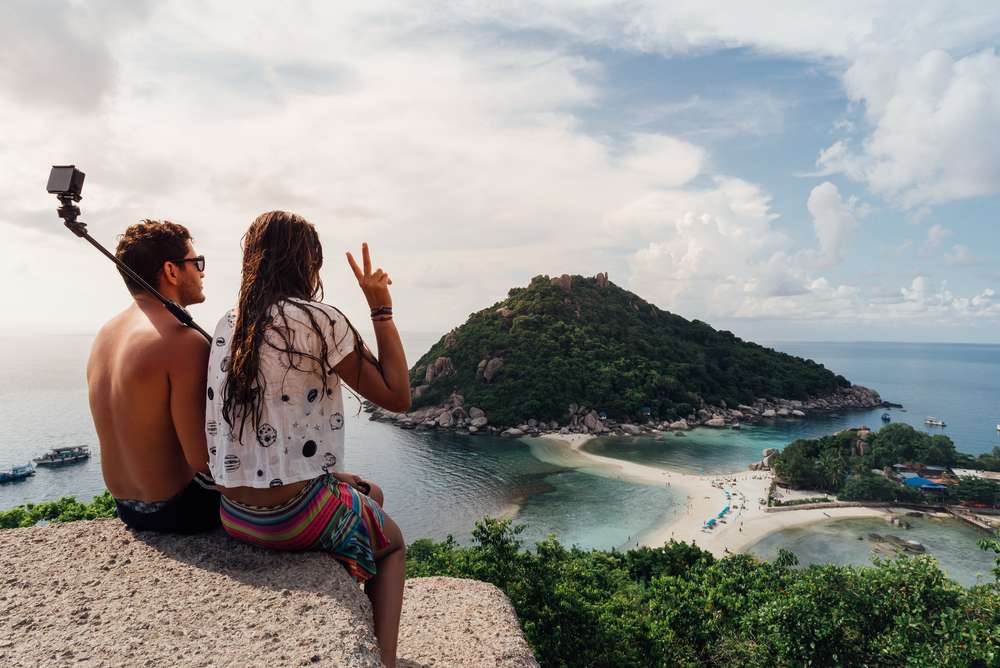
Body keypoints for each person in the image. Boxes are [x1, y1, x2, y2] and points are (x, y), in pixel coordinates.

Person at [206, 211, 408, 667]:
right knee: (392, 544)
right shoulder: (319, 322)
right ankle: (385, 663)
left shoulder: (229, 324)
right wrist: (380, 307)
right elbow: (397, 396)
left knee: (370, 493)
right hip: (289, 517)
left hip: (234, 513)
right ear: (309, 263)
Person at [87, 220, 221, 533]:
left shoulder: (105, 333)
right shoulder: (183, 341)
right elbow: (203, 459)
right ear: (171, 271)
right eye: (196, 262)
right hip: (180, 509)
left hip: (126, 507)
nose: (201, 272)